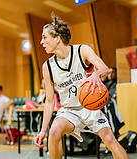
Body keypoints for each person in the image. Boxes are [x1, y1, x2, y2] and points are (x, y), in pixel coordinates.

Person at [34, 14, 128, 159]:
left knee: (109, 140)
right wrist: (42, 131)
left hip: (91, 108)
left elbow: (105, 69)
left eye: (44, 37)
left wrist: (97, 74)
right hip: (69, 111)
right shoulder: (47, 67)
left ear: (57, 38)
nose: (41, 42)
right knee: (53, 132)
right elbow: (50, 101)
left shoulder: (81, 50)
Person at [103, 67, 124, 138]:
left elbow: (112, 97)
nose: (110, 75)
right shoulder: (106, 85)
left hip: (113, 108)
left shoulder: (118, 85)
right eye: (109, 73)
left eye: (112, 72)